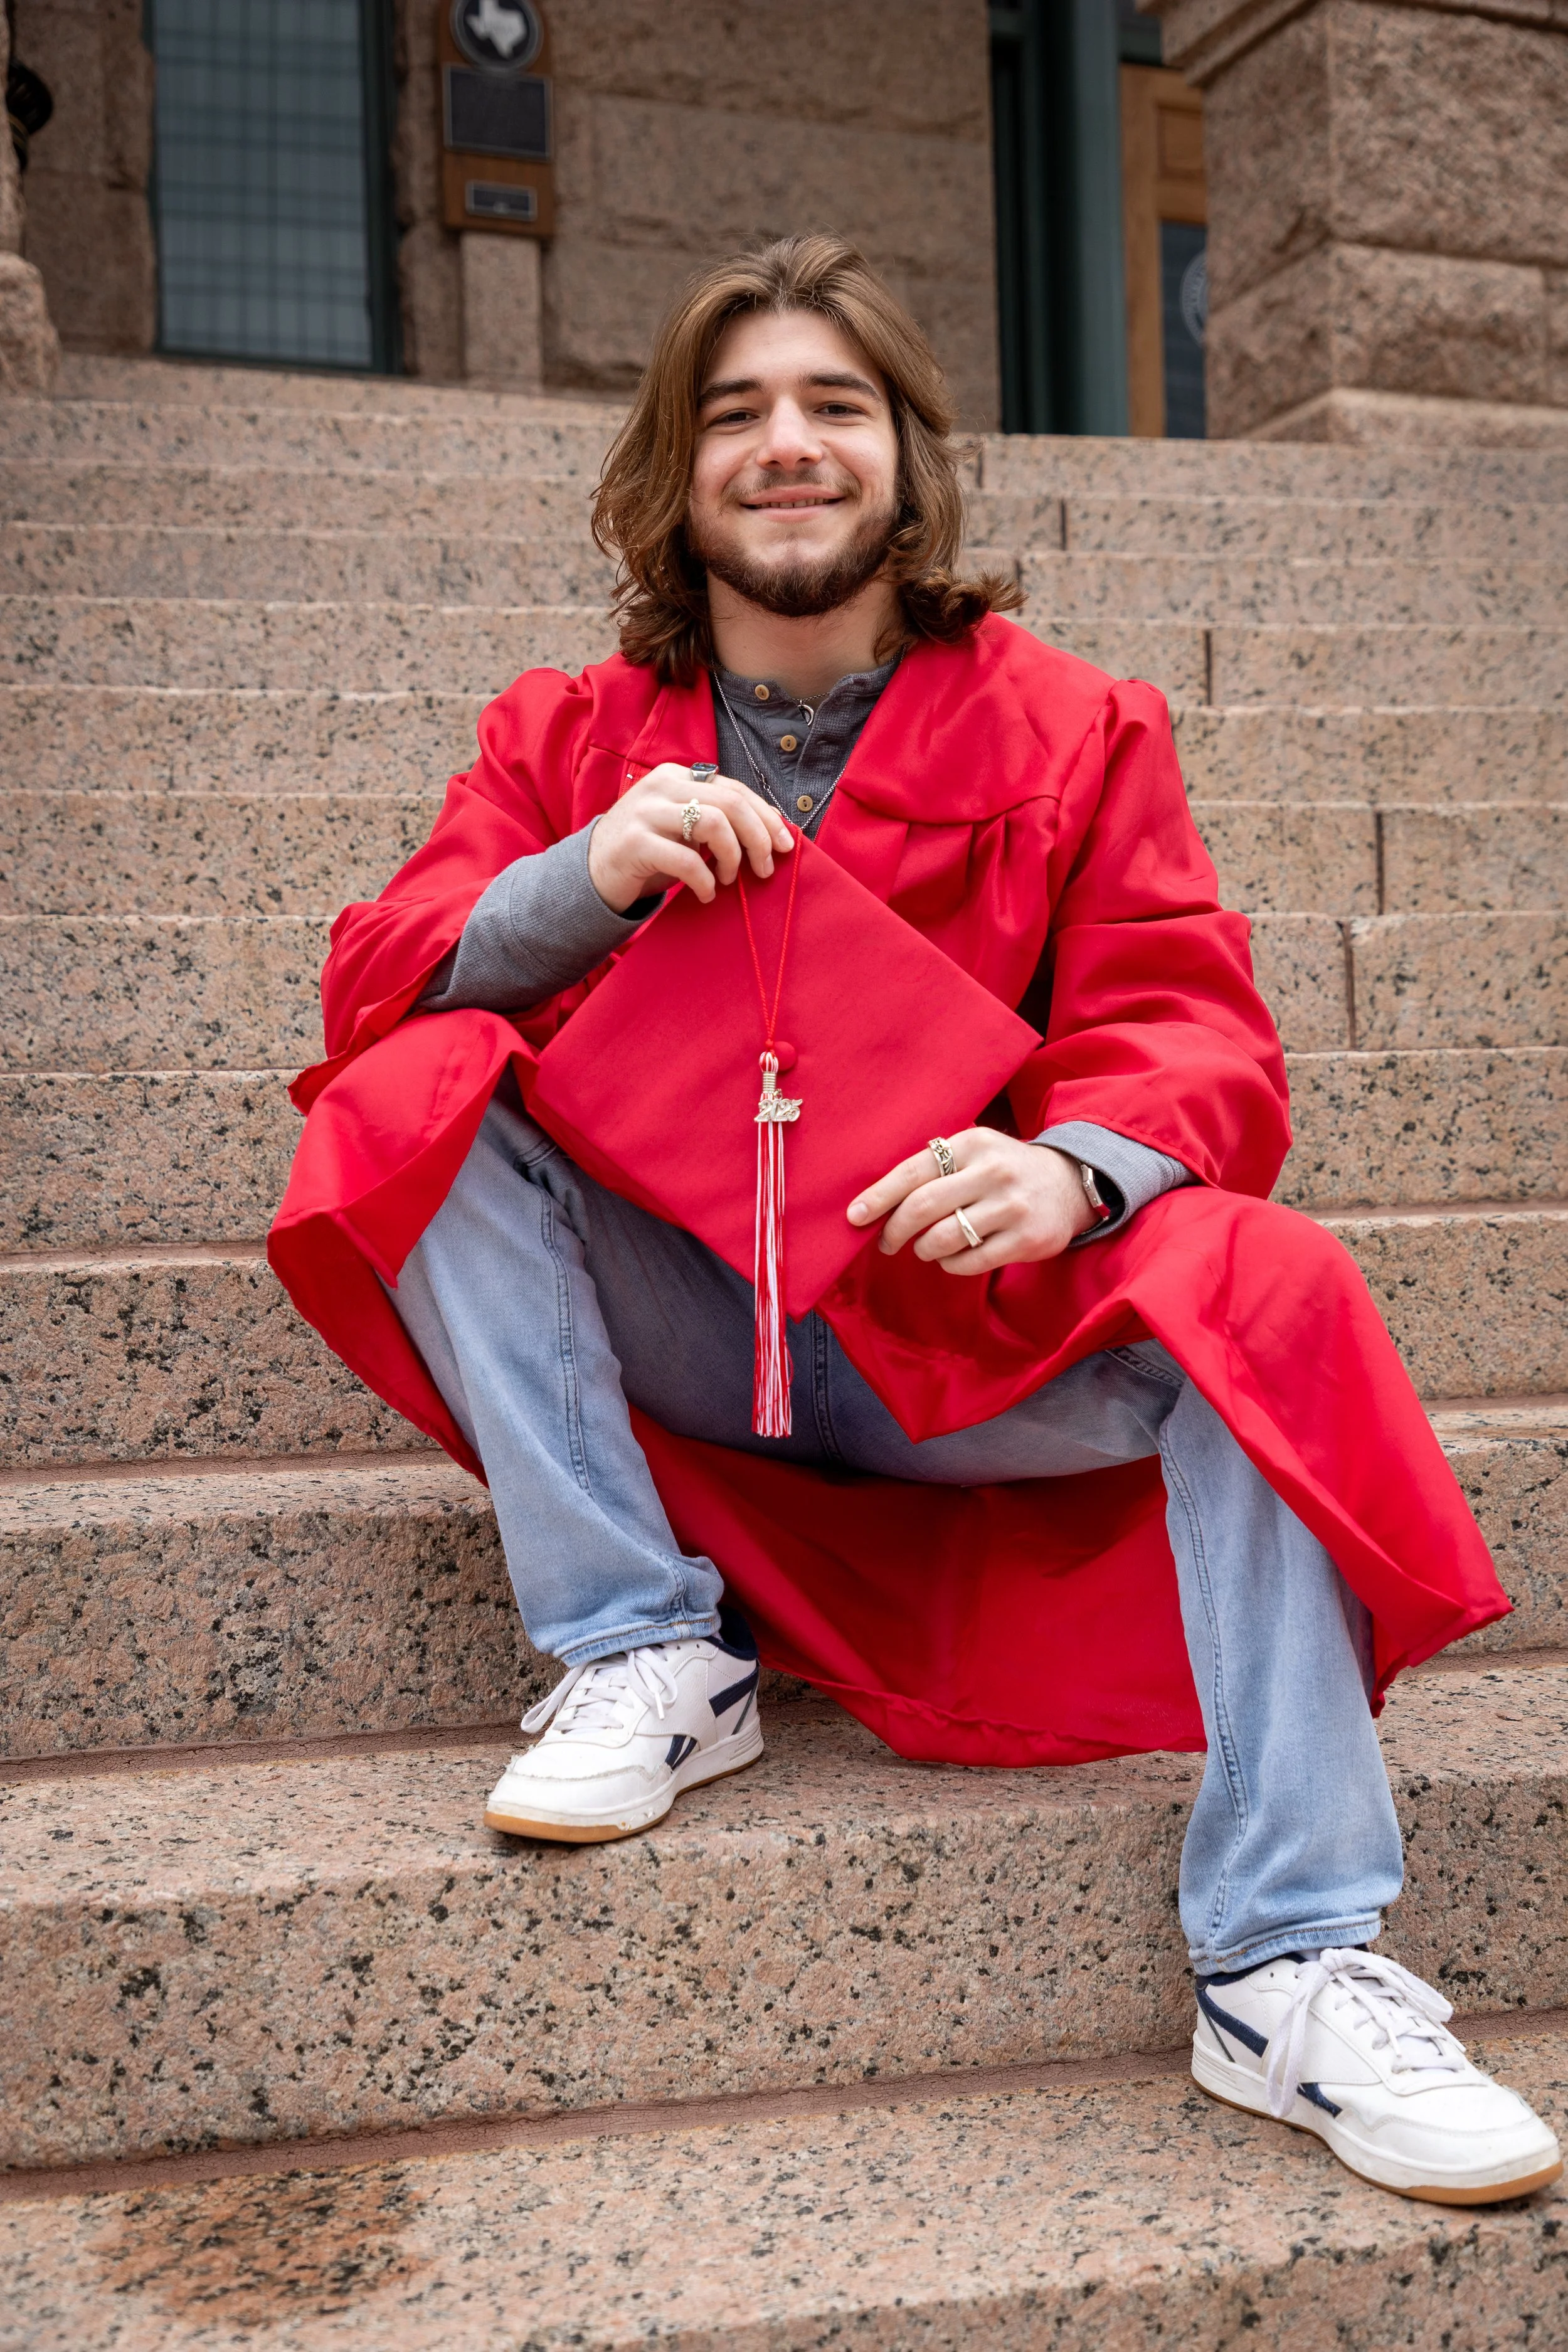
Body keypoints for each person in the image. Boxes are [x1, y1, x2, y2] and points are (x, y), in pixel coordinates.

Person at [270, 236, 1560, 2208]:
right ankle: (636, 1645)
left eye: (832, 406)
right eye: (735, 414)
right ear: (671, 474)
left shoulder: (1071, 725)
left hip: (939, 1336)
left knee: (1262, 1272)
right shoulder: (571, 730)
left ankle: (1289, 1958)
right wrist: (580, 874)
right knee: (408, 1085)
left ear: (903, 459)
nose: (786, 446)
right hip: (680, 1317)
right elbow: (377, 970)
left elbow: (1192, 1027)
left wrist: (1075, 1167)